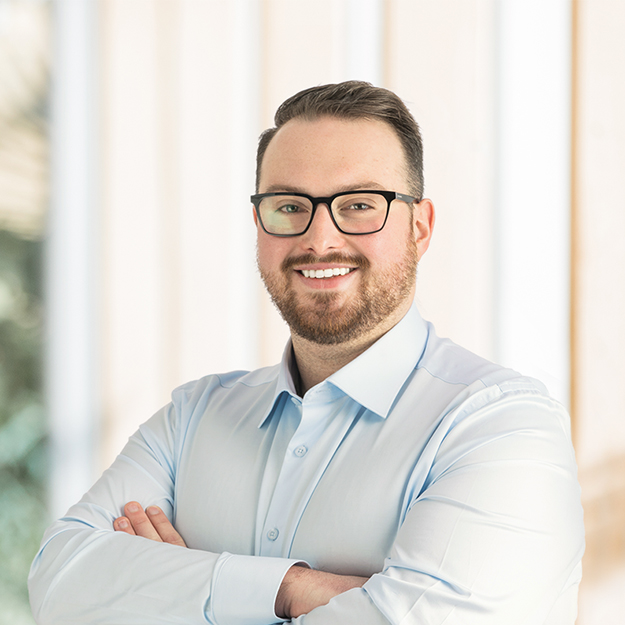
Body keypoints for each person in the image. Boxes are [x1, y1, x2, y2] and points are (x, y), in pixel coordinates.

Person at [29, 81, 584, 624]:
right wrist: (291, 589)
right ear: (258, 224)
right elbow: (58, 584)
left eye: (361, 204)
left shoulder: (499, 427)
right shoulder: (191, 419)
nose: (319, 239)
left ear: (420, 227)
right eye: (289, 206)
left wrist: (183, 585)